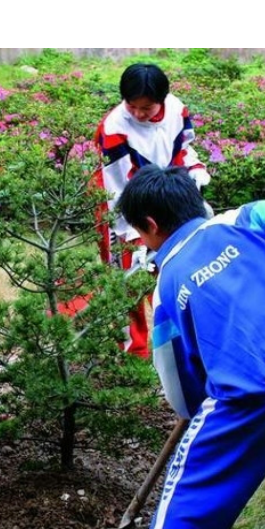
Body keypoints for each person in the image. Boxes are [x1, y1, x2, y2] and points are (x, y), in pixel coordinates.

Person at [115, 165, 265, 529]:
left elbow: (181, 393)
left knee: (187, 513)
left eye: (139, 234)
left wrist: (201, 417)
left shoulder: (169, 284)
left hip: (251, 399)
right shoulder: (245, 222)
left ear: (151, 227)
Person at [94, 63, 211, 358]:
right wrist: (134, 235)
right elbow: (117, 187)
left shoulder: (177, 110)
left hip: (165, 199)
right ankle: (131, 354)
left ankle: (182, 348)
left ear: (161, 100)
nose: (137, 113)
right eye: (131, 106)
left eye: (145, 108)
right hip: (120, 204)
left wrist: (193, 170)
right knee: (128, 277)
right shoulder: (114, 128)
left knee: (174, 270)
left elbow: (184, 149)